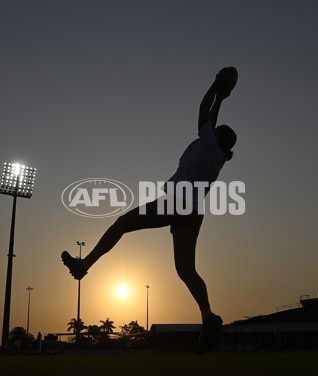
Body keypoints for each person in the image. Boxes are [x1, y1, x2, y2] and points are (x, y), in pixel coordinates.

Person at [61, 67, 238, 354]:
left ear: (215, 136)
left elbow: (203, 109)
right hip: (193, 212)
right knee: (186, 270)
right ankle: (208, 316)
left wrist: (215, 87)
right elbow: (211, 116)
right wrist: (223, 98)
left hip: (176, 202)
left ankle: (85, 266)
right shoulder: (218, 156)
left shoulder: (207, 143)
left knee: (121, 224)